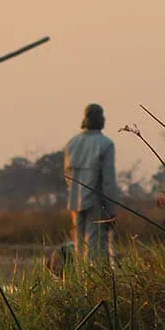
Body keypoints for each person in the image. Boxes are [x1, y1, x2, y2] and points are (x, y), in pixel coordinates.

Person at [64, 102, 118, 264]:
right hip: (97, 203)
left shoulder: (72, 143)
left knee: (79, 246)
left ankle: (81, 276)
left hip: (75, 201)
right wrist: (111, 210)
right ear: (99, 119)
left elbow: (67, 176)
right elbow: (108, 181)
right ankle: (95, 277)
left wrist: (75, 193)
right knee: (96, 248)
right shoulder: (106, 144)